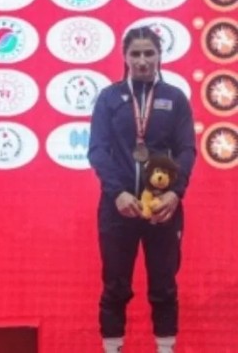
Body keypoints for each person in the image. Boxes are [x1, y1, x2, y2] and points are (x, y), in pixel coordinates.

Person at [88, 26, 196, 353]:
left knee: (164, 286)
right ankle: (112, 347)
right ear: (125, 57)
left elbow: (187, 150)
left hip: (163, 209)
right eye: (135, 54)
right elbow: (97, 150)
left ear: (160, 55)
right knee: (115, 285)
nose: (142, 60)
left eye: (149, 53)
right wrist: (117, 193)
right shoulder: (109, 98)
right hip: (118, 209)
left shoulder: (175, 99)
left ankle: (165, 348)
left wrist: (175, 193)